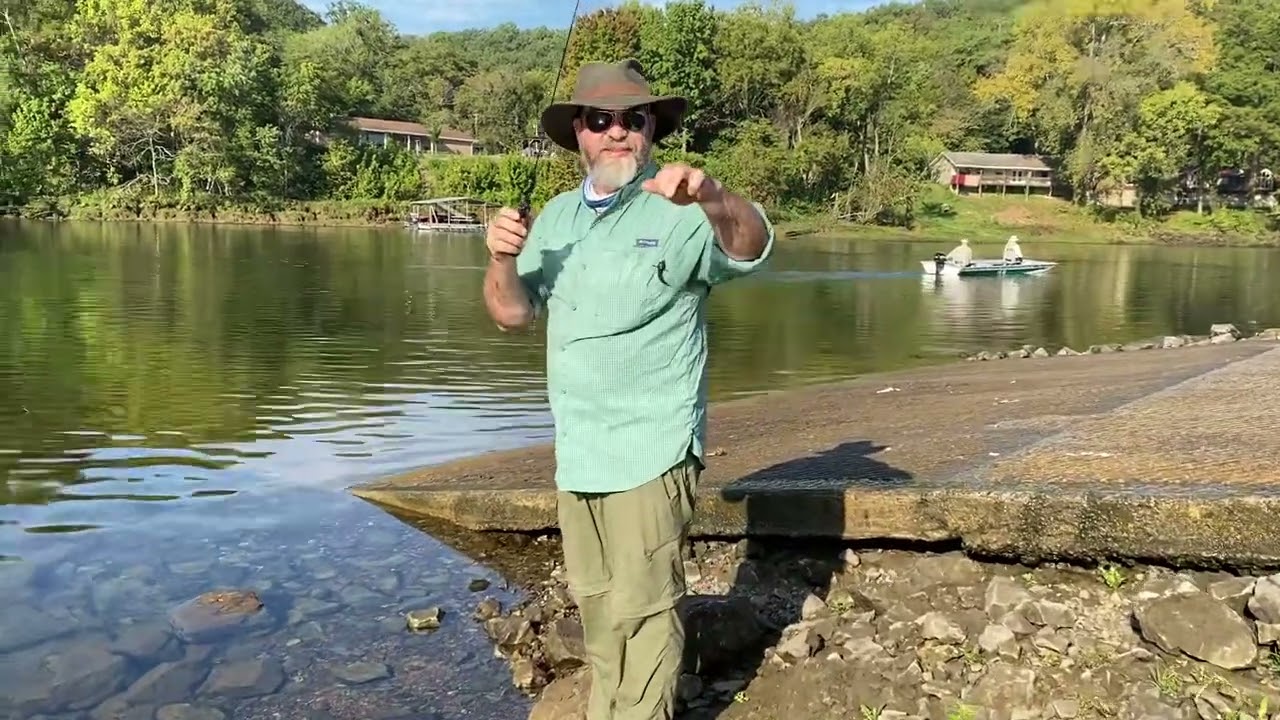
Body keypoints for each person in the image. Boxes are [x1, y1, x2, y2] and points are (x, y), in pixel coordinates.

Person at [481, 58, 775, 720]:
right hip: (579, 447)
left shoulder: (684, 207)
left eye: (633, 119)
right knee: (595, 600)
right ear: (578, 133)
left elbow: (753, 246)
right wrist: (500, 256)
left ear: (651, 131)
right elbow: (511, 313)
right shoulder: (553, 218)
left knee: (644, 606)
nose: (617, 132)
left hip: (655, 442)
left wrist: (715, 196)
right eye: (601, 120)